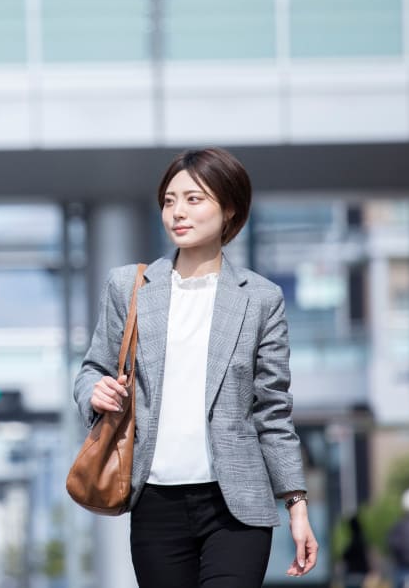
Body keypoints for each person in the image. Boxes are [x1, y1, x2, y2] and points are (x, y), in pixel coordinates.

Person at [73, 147, 319, 587]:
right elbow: (92, 368)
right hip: (155, 502)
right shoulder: (129, 286)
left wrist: (296, 505)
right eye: (169, 201)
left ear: (229, 210)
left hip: (236, 507)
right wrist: (94, 390)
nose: (177, 213)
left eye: (193, 199)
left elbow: (273, 412)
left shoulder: (261, 299)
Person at [342, 515, 372, 588]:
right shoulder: (363, 540)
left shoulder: (353, 542)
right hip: (361, 573)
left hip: (353, 574)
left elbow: (345, 556)